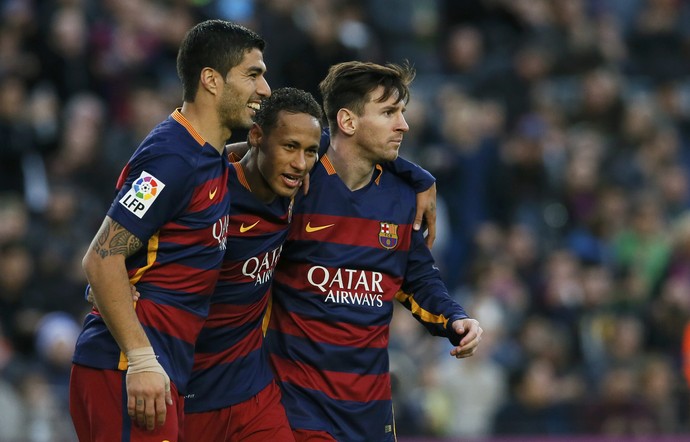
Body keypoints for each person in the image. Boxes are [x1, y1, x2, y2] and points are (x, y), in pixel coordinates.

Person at [69, 19, 270, 441]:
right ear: (212, 81)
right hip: (128, 369)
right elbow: (101, 258)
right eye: (253, 74)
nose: (264, 89)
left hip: (160, 371)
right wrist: (141, 359)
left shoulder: (206, 155)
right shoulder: (171, 160)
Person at [264, 61, 483, 441]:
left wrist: (453, 319)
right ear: (347, 122)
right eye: (389, 113)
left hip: (371, 410)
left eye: (402, 112)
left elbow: (416, 278)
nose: (404, 125)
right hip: (297, 403)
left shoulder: (401, 198)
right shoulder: (297, 185)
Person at [183, 87, 322, 441]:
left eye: (310, 152)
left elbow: (360, 150)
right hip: (189, 393)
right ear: (257, 137)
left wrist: (419, 178)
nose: (300, 164)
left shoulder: (294, 189)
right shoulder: (211, 194)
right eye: (290, 147)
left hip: (253, 391)